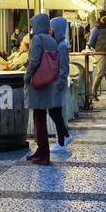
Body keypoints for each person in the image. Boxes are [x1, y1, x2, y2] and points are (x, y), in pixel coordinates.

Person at [24, 14, 63, 165]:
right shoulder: (52, 40)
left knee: (38, 119)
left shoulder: (37, 39)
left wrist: (27, 77)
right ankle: (40, 150)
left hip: (37, 83)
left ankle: (43, 154)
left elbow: (34, 62)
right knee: (40, 117)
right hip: (47, 82)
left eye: (33, 24)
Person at [48, 15, 72, 153]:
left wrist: (60, 84)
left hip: (58, 83)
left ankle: (64, 139)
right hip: (56, 82)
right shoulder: (58, 44)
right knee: (55, 111)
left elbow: (64, 67)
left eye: (52, 28)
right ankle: (63, 140)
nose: (50, 31)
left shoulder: (62, 46)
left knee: (53, 111)